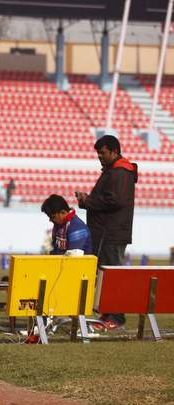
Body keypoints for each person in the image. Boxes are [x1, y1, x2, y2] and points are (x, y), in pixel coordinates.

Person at [75, 135, 137, 330]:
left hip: (110, 233)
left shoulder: (119, 173)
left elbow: (115, 201)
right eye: (98, 153)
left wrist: (88, 201)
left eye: (102, 153)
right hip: (108, 232)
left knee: (111, 275)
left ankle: (116, 317)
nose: (99, 156)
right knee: (105, 275)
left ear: (114, 151)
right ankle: (109, 313)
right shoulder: (114, 171)